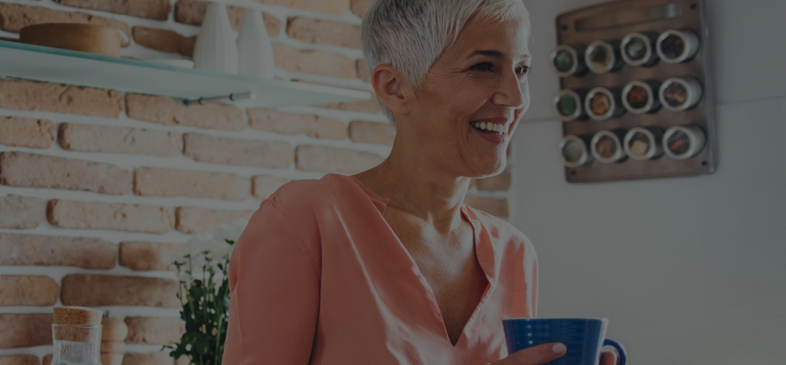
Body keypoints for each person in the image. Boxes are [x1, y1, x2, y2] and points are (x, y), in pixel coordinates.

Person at [221, 0, 618, 364]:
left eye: (522, 70)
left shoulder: (514, 253)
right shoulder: (303, 221)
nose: (515, 97)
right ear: (394, 88)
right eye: (483, 66)